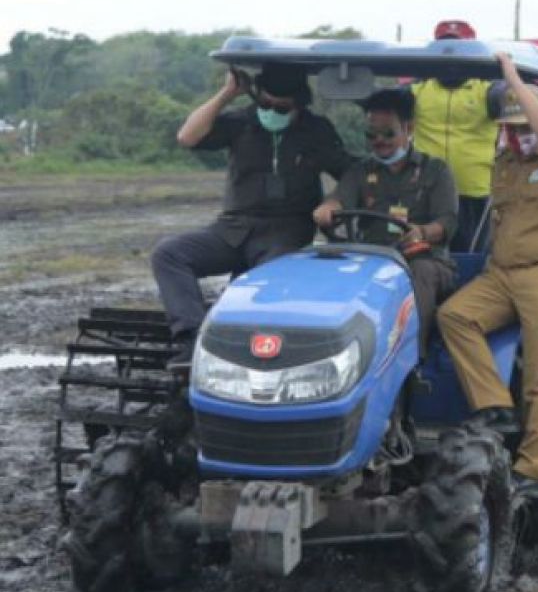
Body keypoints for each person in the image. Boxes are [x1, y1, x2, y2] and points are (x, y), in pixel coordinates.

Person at [437, 52, 538, 498]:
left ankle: (533, 469)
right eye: (512, 126)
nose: (519, 133)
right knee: (455, 317)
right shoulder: (505, 162)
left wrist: (512, 78)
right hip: (504, 274)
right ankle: (494, 406)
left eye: (526, 125)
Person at [153, 63, 354, 368]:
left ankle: (251, 350)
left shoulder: (317, 131)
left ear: (299, 104)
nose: (272, 111)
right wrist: (227, 93)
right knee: (169, 253)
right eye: (266, 104)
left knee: (265, 280)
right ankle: (192, 337)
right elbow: (187, 137)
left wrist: (334, 199)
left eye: (282, 108)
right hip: (233, 227)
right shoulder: (241, 122)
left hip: (284, 232)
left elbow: (352, 172)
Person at [313, 88, 457, 357]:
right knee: (322, 265)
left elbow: (447, 222)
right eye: (371, 135)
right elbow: (338, 199)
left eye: (388, 133)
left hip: (422, 259)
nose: (379, 141)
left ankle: (413, 355)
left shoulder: (435, 170)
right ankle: (332, 350)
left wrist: (422, 232)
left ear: (408, 128)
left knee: (421, 273)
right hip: (371, 258)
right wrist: (327, 209)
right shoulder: (360, 171)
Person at [410, 20, 507, 253]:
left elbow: (517, 101)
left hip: (472, 193)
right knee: (421, 254)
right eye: (444, 48)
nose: (450, 56)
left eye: (458, 48)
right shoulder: (417, 90)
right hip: (425, 193)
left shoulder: (489, 91)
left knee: (467, 258)